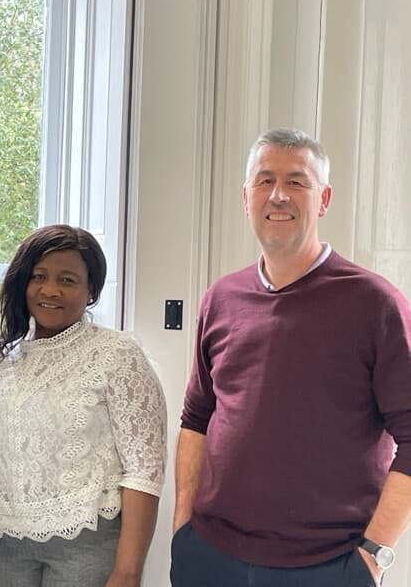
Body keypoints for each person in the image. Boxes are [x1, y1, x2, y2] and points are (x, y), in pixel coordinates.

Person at [171, 128, 411, 587]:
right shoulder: (221, 298)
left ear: (324, 200)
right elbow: (197, 418)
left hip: (328, 565)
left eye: (296, 182)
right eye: (264, 181)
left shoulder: (375, 304)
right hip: (210, 556)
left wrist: (374, 554)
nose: (278, 195)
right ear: (246, 198)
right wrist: (184, 528)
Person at [0, 224, 167, 587]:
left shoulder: (118, 354)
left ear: (91, 291)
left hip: (88, 547)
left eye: (67, 280)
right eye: (39, 276)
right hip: (9, 547)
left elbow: (144, 469)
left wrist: (128, 571)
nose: (50, 290)